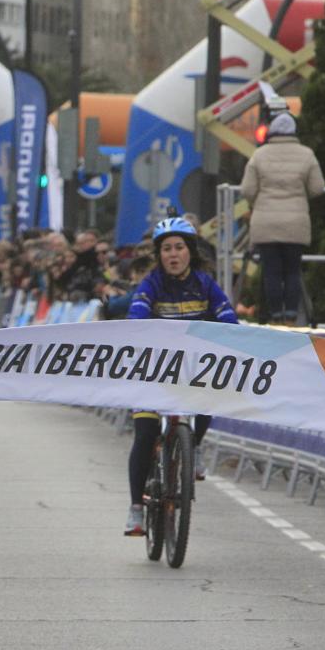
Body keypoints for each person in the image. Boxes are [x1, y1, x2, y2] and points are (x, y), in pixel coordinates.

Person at [123, 217, 239, 536]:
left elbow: (228, 317)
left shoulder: (205, 283)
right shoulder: (151, 284)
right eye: (166, 249)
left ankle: (195, 445)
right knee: (145, 434)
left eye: (179, 248)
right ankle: (135, 508)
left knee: (211, 386)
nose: (173, 255)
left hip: (190, 369)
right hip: (151, 371)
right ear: (159, 255)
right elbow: (136, 314)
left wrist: (235, 337)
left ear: (190, 252)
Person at [240, 112, 325, 324]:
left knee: (271, 272)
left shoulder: (259, 155)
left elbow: (247, 190)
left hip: (265, 222)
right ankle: (291, 318)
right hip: (296, 223)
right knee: (293, 271)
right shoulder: (306, 154)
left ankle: (275, 318)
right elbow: (317, 187)